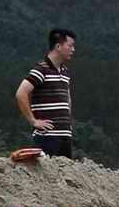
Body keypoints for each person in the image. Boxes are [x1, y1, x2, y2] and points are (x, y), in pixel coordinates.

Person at [18, 27, 77, 157]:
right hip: (48, 136)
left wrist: (69, 122)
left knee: (64, 175)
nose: (73, 50)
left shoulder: (65, 71)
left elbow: (67, 99)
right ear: (58, 46)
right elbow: (21, 93)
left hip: (65, 135)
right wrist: (33, 121)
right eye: (70, 46)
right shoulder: (41, 70)